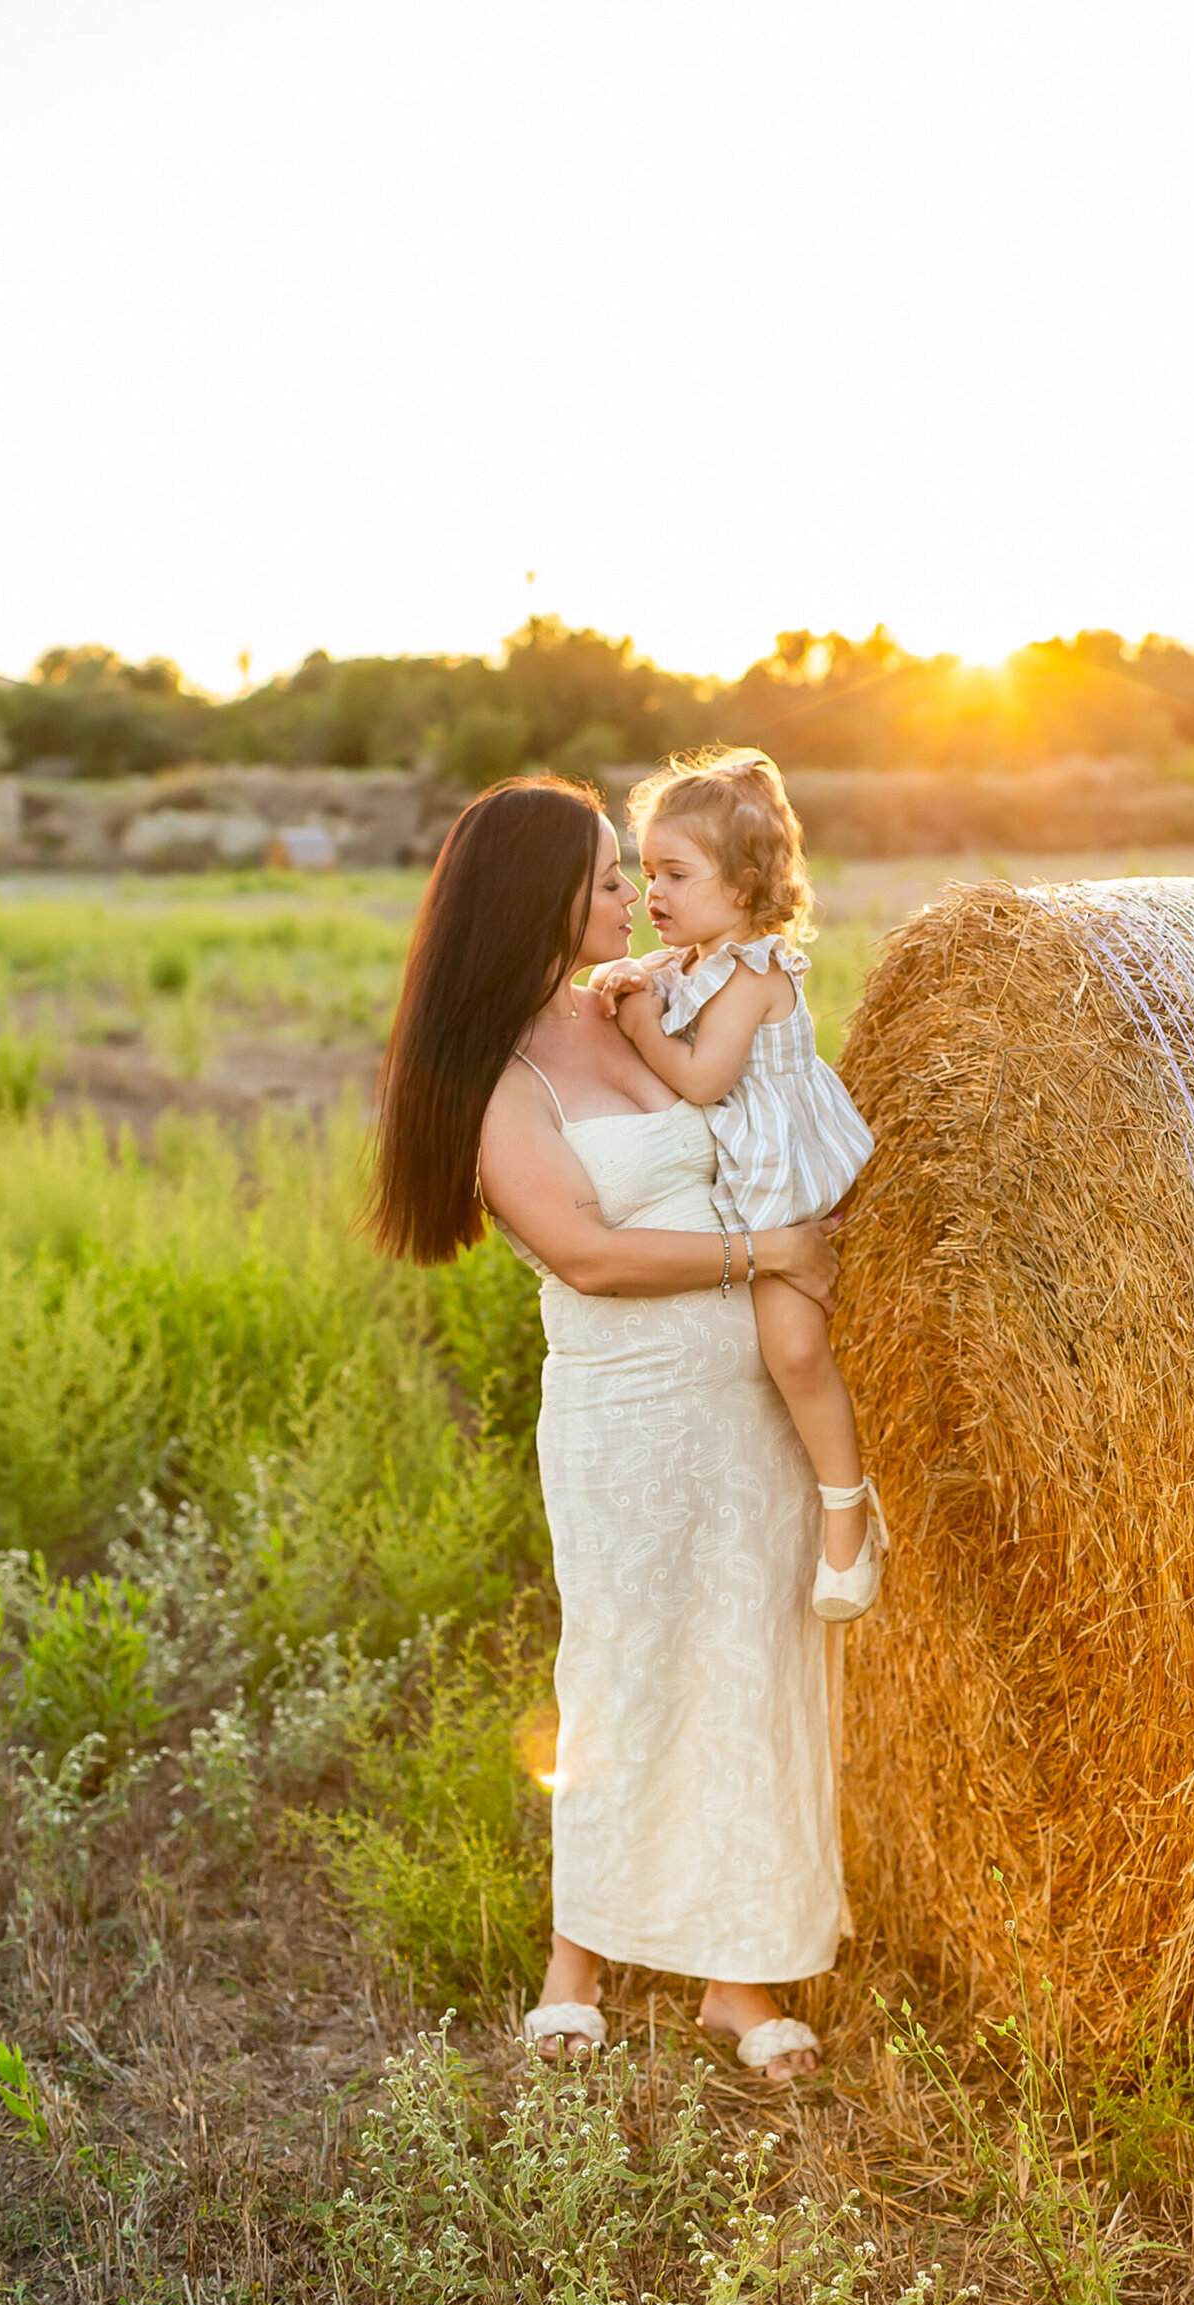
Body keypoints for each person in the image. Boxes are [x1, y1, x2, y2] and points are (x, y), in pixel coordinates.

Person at [365, 775, 845, 2079]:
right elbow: (585, 1252)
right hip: (628, 1418)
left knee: (750, 1664)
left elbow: (743, 1109)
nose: (636, 895)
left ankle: (739, 1980)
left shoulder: (628, 1008)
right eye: (609, 878)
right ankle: (578, 1956)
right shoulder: (493, 1075)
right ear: (543, 903)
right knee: (623, 1676)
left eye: (633, 875)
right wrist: (766, 1253)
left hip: (743, 1406)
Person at [592, 748, 884, 1622]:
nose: (653, 894)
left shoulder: (755, 971)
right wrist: (625, 981)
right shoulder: (687, 964)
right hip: (740, 1184)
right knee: (751, 1357)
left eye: (676, 874)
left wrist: (639, 1019)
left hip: (785, 1182)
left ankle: (848, 1511)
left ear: (748, 884)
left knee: (793, 1352)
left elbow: (706, 1079)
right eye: (646, 874)